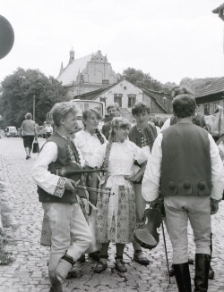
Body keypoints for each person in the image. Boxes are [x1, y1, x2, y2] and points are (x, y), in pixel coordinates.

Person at [142, 95, 224, 292]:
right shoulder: (205, 136)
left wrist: (151, 199)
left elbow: (153, 171)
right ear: (195, 111)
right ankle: (201, 290)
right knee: (203, 240)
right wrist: (216, 196)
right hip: (200, 196)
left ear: (174, 112)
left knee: (179, 245)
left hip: (173, 197)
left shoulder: (164, 136)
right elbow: (217, 170)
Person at [32, 102, 92, 292]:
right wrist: (61, 183)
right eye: (73, 118)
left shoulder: (67, 140)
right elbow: (37, 172)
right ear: (61, 120)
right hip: (57, 200)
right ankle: (56, 285)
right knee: (60, 243)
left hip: (70, 198)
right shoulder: (52, 144)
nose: (76, 122)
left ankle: (60, 272)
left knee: (85, 237)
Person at [88, 117, 148, 273]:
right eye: (123, 128)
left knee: (122, 222)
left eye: (128, 128)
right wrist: (94, 191)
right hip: (107, 188)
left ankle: (119, 258)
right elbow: (93, 168)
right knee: (105, 223)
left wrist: (136, 176)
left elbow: (145, 161)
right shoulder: (104, 148)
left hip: (125, 190)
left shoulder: (131, 147)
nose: (126, 132)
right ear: (114, 129)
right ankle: (102, 257)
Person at [74, 109, 107, 261]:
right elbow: (77, 156)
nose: (95, 121)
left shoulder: (101, 138)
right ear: (84, 120)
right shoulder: (78, 137)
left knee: (96, 212)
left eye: (97, 119)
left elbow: (107, 153)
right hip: (84, 176)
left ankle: (94, 247)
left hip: (98, 177)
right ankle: (80, 248)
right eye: (92, 118)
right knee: (84, 211)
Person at [128, 101, 157, 265]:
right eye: (137, 115)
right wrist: (143, 168)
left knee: (157, 213)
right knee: (139, 213)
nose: (141, 118)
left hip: (153, 177)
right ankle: (137, 250)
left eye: (143, 114)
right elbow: (132, 156)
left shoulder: (153, 128)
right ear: (134, 116)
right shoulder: (131, 132)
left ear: (148, 115)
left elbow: (158, 151)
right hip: (139, 176)